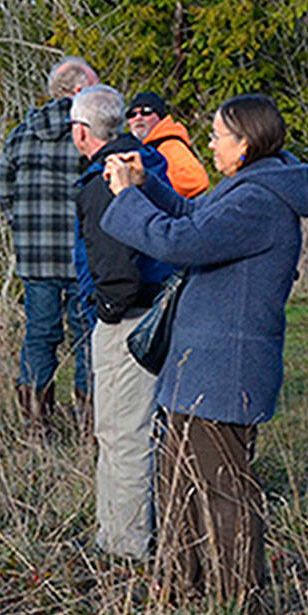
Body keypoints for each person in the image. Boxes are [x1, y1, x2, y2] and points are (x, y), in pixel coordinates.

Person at [101, 94, 308, 613]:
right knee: (178, 485)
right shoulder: (247, 188)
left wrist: (128, 198)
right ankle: (179, 588)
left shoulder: (260, 202)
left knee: (224, 495)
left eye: (219, 135)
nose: (211, 144)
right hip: (199, 365)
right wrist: (147, 182)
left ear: (244, 143)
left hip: (224, 373)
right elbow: (193, 212)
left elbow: (183, 240)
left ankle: (240, 608)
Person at [69, 85, 174, 558]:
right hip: (151, 313)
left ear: (80, 132)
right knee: (126, 432)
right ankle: (112, 536)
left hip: (127, 322)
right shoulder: (145, 165)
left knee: (124, 436)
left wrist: (106, 313)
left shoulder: (104, 181)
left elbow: (115, 265)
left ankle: (128, 546)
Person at [0, 56, 99, 435]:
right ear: (78, 91)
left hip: (35, 256)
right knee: (87, 336)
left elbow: (3, 190)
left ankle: (35, 426)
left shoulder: (21, 133)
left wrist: (22, 229)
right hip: (81, 255)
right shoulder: (88, 134)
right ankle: (90, 425)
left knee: (40, 335)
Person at [125, 91, 210, 198]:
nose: (138, 118)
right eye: (131, 114)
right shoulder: (143, 147)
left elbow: (197, 180)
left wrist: (153, 188)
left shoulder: (170, 145)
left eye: (146, 112)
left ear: (160, 116)